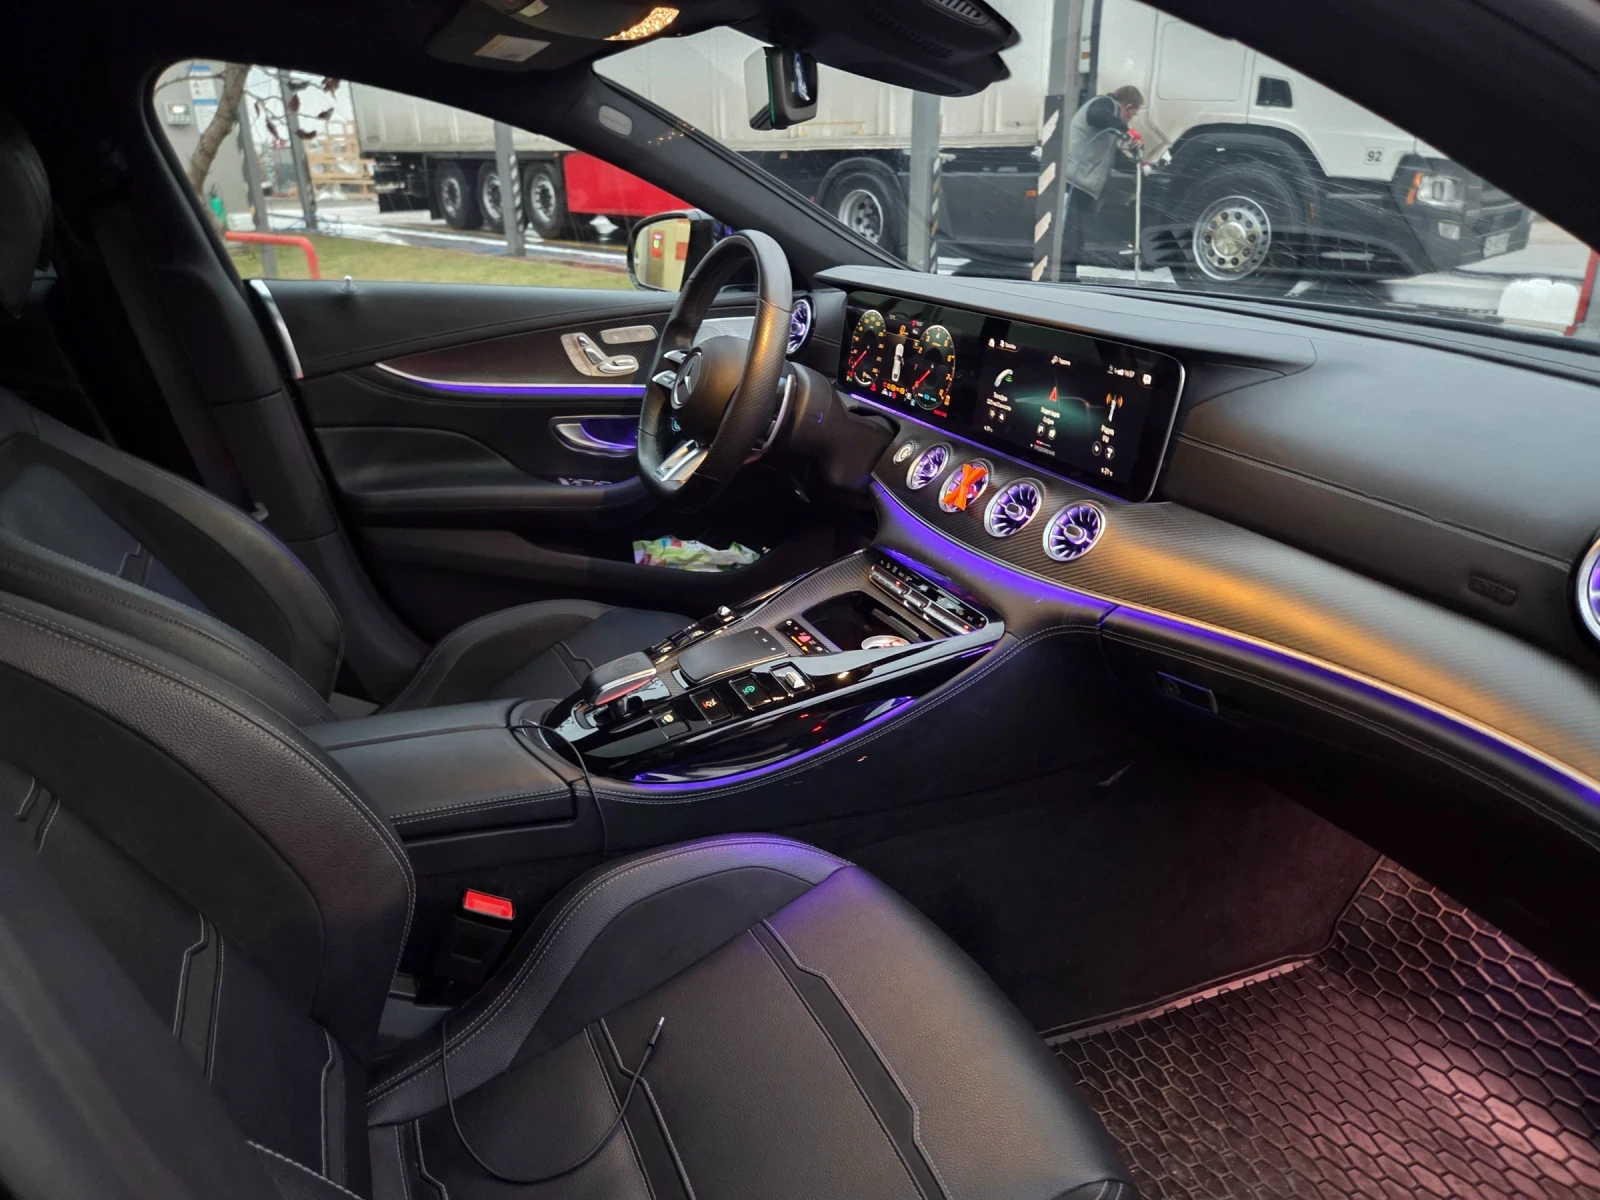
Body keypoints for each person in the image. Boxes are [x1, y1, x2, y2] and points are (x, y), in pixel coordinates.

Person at [1061, 84, 1144, 271]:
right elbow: (1096, 115)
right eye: (1131, 115)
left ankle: (1069, 274)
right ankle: (1064, 275)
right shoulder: (1104, 104)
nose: (1130, 119)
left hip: (1082, 185)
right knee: (1070, 235)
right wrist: (1126, 129)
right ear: (1127, 107)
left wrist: (1138, 166)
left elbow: (1110, 156)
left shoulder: (1109, 125)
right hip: (1072, 181)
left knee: (1077, 236)